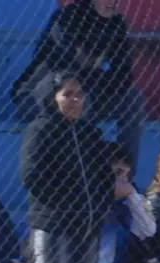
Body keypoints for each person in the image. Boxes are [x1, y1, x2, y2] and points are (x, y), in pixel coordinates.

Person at [11, 0, 143, 172]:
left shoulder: (116, 24)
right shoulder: (67, 18)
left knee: (133, 99)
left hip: (87, 94)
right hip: (35, 98)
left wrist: (95, 79)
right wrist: (99, 79)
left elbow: (124, 75)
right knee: (78, 97)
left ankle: (125, 176)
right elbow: (63, 71)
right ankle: (81, 175)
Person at [20, 70, 115, 263]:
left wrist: (98, 208)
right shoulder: (41, 130)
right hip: (53, 225)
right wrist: (67, 204)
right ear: (52, 98)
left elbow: (105, 177)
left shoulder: (89, 134)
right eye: (67, 94)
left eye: (79, 94)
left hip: (87, 226)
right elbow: (30, 175)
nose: (75, 100)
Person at [93, 145, 156, 263]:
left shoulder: (129, 201)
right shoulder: (88, 197)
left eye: (127, 174)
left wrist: (132, 195)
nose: (124, 180)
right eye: (118, 173)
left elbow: (148, 230)